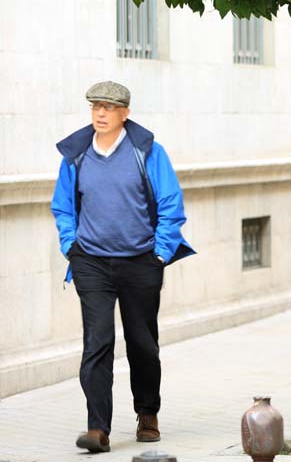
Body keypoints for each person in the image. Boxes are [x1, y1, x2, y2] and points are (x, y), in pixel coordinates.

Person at [51, 81, 194, 454]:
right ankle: (97, 428)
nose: (100, 113)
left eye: (109, 108)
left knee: (141, 342)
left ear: (125, 114)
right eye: (95, 106)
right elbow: (62, 206)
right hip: (92, 263)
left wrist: (160, 253)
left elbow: (170, 203)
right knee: (97, 342)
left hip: (141, 261)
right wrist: (72, 247)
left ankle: (147, 413)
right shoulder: (76, 155)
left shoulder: (146, 152)